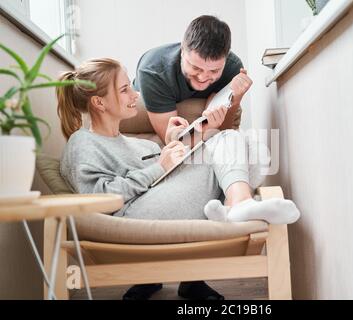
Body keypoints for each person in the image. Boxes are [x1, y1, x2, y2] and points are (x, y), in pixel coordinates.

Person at [57, 58, 300, 300]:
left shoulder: (136, 143)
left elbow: (169, 174)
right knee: (226, 144)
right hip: (130, 217)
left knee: (223, 141)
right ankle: (237, 202)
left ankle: (235, 201)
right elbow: (100, 196)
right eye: (125, 89)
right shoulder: (82, 143)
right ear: (99, 102)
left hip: (153, 201)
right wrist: (162, 163)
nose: (135, 94)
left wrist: (181, 138)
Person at [133, 15, 252, 143]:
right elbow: (174, 143)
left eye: (214, 71)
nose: (202, 77)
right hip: (152, 99)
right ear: (182, 51)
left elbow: (224, 133)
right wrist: (207, 128)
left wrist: (235, 100)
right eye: (196, 67)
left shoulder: (232, 67)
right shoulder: (153, 70)